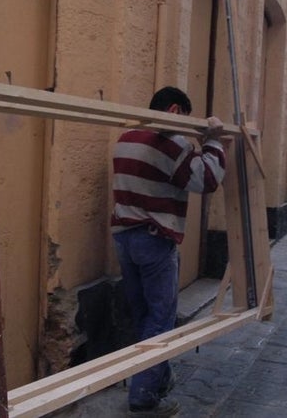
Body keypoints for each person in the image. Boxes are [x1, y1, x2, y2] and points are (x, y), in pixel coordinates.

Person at [111, 86, 226, 417]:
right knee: (160, 318)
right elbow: (207, 179)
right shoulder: (170, 142)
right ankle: (143, 396)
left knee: (143, 314)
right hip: (154, 238)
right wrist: (213, 141)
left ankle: (156, 378)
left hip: (124, 237)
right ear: (175, 110)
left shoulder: (127, 136)